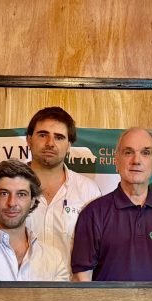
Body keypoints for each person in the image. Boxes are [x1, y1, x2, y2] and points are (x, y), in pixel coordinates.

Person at [71, 127, 152, 282]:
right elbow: (82, 278)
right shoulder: (93, 213)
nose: (136, 160)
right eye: (128, 152)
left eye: (146, 153)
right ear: (116, 160)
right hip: (107, 300)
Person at [23, 106, 101, 274]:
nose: (50, 143)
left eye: (59, 137)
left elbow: (97, 252)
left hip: (71, 289)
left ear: (69, 145)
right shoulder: (8, 187)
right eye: (43, 135)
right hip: (18, 288)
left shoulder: (88, 191)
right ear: (29, 140)